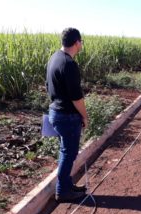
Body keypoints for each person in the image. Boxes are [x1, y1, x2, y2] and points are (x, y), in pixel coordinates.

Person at [46, 27, 88, 202]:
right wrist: (85, 116)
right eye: (81, 42)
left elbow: (48, 86)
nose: (81, 45)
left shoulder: (54, 58)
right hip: (67, 116)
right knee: (68, 153)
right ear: (77, 42)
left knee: (65, 152)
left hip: (55, 113)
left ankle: (67, 184)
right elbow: (76, 97)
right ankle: (63, 191)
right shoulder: (69, 64)